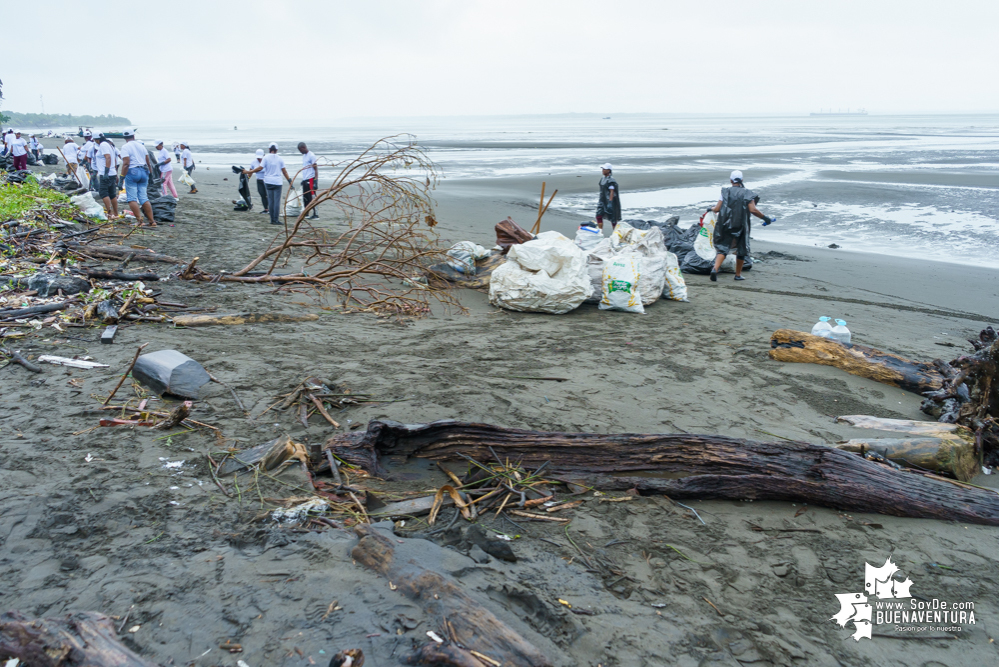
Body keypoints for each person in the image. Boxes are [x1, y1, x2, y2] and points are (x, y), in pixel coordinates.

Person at [706, 170, 775, 282]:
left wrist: (711, 208)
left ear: (731, 180)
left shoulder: (725, 192)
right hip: (741, 224)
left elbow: (717, 209)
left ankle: (715, 269)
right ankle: (737, 275)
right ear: (742, 180)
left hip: (724, 223)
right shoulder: (747, 193)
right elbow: (753, 210)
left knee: (723, 248)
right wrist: (765, 218)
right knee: (741, 249)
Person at [244, 143, 292, 225]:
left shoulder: (265, 158)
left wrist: (249, 172)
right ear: (276, 150)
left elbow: (260, 168)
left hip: (268, 181)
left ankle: (272, 220)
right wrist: (290, 181)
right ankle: (276, 219)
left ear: (269, 149)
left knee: (270, 200)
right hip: (277, 182)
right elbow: (284, 171)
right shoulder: (280, 159)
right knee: (276, 201)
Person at [120, 129, 157, 227]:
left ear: (124, 137)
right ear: (134, 136)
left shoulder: (125, 147)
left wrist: (121, 177)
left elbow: (126, 163)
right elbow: (148, 162)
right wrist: (151, 175)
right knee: (144, 198)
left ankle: (140, 221)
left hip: (132, 171)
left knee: (132, 199)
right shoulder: (141, 146)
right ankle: (152, 221)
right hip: (143, 171)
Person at [94, 134, 119, 219]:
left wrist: (106, 172)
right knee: (112, 194)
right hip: (112, 173)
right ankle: (116, 214)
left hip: (106, 173)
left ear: (97, 139)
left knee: (103, 193)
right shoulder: (109, 145)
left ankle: (109, 214)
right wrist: (115, 171)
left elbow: (108, 157)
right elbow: (114, 159)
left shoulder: (103, 145)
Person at [596, 163, 621, 230]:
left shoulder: (611, 180)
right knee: (598, 215)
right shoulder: (602, 179)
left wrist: (610, 202)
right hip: (602, 200)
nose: (603, 170)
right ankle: (600, 231)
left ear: (609, 170)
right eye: (602, 169)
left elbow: (612, 191)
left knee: (613, 218)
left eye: (604, 169)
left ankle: (615, 233)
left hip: (610, 201)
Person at [297, 142, 319, 219]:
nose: (300, 152)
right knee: (305, 197)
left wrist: (315, 181)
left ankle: (316, 214)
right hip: (305, 179)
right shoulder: (304, 156)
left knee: (312, 196)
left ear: (303, 147)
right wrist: (303, 180)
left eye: (300, 150)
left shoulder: (311, 156)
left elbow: (316, 169)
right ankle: (306, 213)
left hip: (311, 179)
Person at [249, 148, 268, 214]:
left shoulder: (266, 161)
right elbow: (250, 171)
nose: (259, 159)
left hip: (267, 180)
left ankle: (270, 209)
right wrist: (248, 178)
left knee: (268, 195)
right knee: (262, 194)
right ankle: (266, 209)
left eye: (260, 157)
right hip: (259, 180)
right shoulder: (254, 162)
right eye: (258, 158)